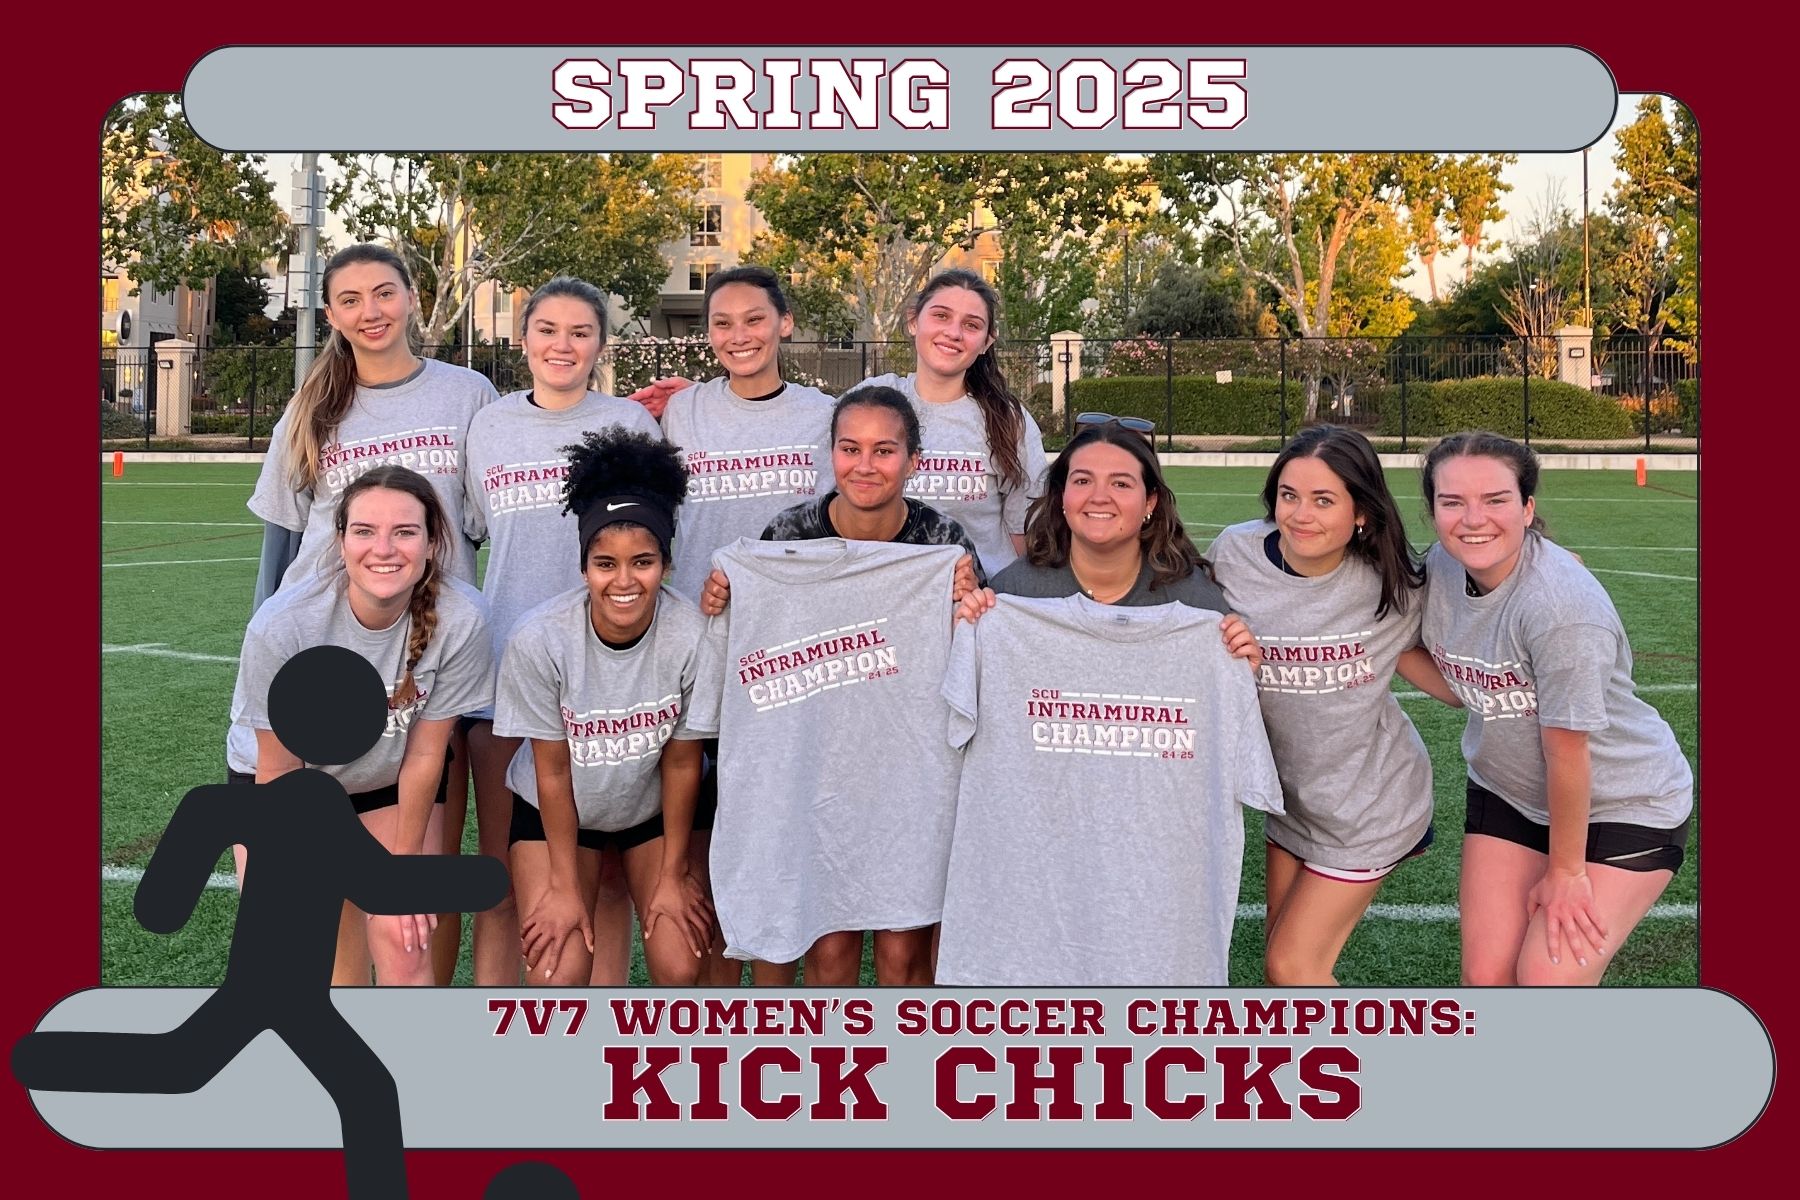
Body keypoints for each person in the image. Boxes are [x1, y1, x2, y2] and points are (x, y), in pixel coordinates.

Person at [234, 242, 497, 983]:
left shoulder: (467, 393)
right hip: (328, 657)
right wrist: (272, 649)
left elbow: (499, 504)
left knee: (420, 880)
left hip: (424, 656)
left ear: (411, 297)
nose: (370, 311)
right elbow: (282, 548)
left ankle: (421, 1027)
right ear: (330, 315)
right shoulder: (311, 407)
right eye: (350, 300)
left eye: (384, 293)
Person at [695, 385, 982, 987]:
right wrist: (729, 596)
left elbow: (977, 658)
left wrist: (969, 602)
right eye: (850, 448)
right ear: (830, 454)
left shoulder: (943, 546)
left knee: (905, 954)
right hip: (815, 770)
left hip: (909, 777)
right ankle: (843, 1076)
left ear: (914, 461)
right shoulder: (786, 535)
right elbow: (753, 635)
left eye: (884, 450)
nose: (865, 465)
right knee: (830, 954)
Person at [1420, 431, 1693, 986]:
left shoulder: (1562, 609)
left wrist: (1566, 873)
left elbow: (1567, 755)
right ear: (1433, 512)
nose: (1474, 519)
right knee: (1486, 979)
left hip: (1622, 804)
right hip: (1511, 793)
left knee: (1547, 982)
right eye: (1453, 502)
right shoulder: (1440, 570)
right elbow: (1457, 683)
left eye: (1496, 500)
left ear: (1527, 507)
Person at [460, 277, 663, 987]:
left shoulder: (632, 426)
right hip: (507, 674)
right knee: (502, 867)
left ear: (601, 345)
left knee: (603, 869)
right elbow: (476, 530)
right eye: (547, 330)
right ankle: (495, 1016)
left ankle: (595, 1020)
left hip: (611, 676)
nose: (563, 345)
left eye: (580, 332)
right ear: (524, 340)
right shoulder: (489, 426)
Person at [1206, 424, 1458, 985]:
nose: (1300, 515)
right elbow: (1182, 622)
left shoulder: (1394, 583)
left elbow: (1458, 646)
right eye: (1289, 495)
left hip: (1370, 807)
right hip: (1291, 802)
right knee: (1281, 960)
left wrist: (1534, 576)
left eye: (1324, 500)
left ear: (1361, 512)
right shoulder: (1236, 553)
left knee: (1292, 966)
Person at [228, 466, 495, 985]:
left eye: (405, 531)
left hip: (389, 781)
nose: (385, 549)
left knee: (404, 937)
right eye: (365, 531)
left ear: (433, 542)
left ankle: (412, 1063)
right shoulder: (285, 625)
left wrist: (400, 877)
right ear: (341, 541)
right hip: (290, 788)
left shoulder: (463, 619)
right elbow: (279, 767)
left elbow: (425, 757)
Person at [646, 265, 837, 985]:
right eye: (722, 323)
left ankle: (780, 1002)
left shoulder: (825, 415)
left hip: (792, 658)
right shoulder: (682, 411)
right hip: (701, 649)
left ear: (784, 324)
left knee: (783, 842)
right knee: (707, 839)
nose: (738, 336)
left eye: (754, 319)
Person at [494, 429, 716, 985]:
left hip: (649, 812)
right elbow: (552, 770)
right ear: (583, 566)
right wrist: (565, 888)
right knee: (559, 969)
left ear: (665, 564)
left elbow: (684, 761)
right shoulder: (541, 639)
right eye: (605, 563)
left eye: (642, 562)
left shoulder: (692, 635)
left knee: (680, 959)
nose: (623, 581)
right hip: (561, 812)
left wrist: (673, 874)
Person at [861, 268, 1048, 578]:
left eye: (971, 325)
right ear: (913, 321)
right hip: (886, 599)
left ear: (987, 342)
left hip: (978, 606)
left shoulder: (1006, 418)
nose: (954, 333)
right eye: (941, 316)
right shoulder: (873, 401)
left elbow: (1023, 538)